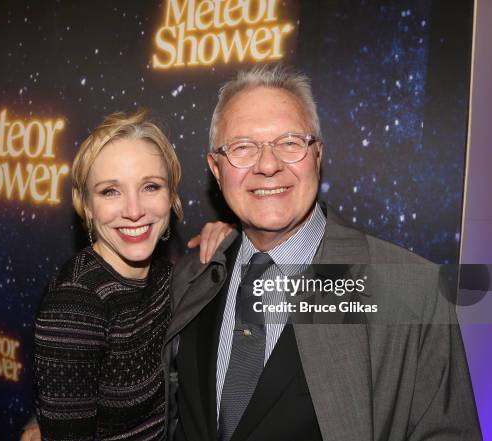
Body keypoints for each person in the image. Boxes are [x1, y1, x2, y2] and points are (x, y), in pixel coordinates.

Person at [164, 65, 482, 441]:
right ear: (217, 169)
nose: (268, 165)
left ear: (317, 156)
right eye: (243, 147)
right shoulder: (191, 280)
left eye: (290, 142)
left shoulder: (411, 292)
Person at [31, 109, 232, 441]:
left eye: (150, 186)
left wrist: (234, 238)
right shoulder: (75, 303)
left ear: (172, 196)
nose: (135, 210)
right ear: (86, 205)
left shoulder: (168, 276)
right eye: (110, 191)